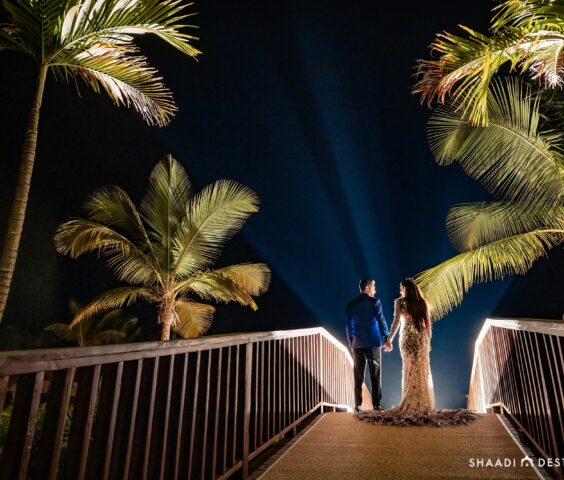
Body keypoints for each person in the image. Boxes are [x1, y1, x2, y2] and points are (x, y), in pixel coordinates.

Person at [384, 278, 434, 412]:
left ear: (405, 289)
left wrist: (389, 339)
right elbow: (427, 324)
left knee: (409, 369)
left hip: (406, 339)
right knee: (421, 369)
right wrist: (428, 341)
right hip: (421, 339)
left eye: (401, 288)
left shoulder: (399, 302)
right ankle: (422, 403)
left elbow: (396, 322)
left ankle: (410, 402)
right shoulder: (422, 302)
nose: (400, 290)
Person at [346, 278, 390, 412]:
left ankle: (357, 405)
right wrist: (387, 337)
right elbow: (381, 319)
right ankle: (376, 404)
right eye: (373, 287)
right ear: (367, 288)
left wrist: (351, 342)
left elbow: (349, 326)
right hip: (373, 342)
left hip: (357, 344)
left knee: (358, 375)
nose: (375, 290)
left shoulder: (351, 304)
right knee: (375, 374)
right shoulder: (375, 302)